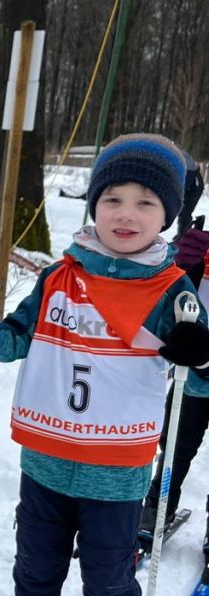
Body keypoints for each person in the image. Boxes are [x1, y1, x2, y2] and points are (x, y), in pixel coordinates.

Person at [0, 134, 209, 596]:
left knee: (110, 582)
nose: (126, 214)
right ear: (94, 205)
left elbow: (198, 381)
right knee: (34, 566)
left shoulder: (171, 291)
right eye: (112, 198)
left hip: (116, 473)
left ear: (167, 216)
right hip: (45, 459)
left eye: (145, 202)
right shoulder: (58, 278)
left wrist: (198, 353)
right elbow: (11, 342)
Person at [138, 150, 208, 539]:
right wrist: (182, 265)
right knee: (176, 445)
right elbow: (172, 300)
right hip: (194, 374)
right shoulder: (203, 246)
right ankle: (158, 505)